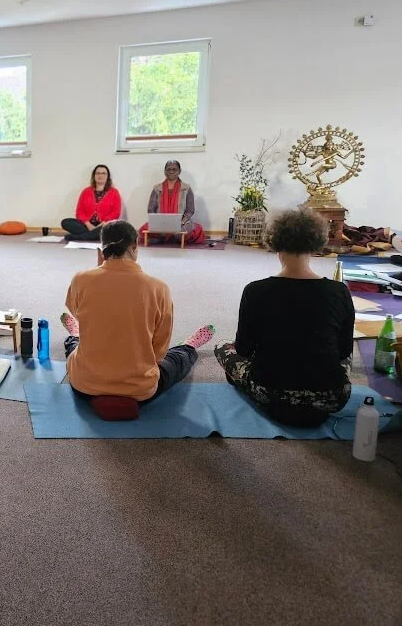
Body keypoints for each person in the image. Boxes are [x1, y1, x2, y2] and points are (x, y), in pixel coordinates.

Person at [215, 209, 354, 427]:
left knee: (222, 346)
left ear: (275, 243)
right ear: (317, 243)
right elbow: (344, 350)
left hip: (271, 392)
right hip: (332, 397)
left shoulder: (255, 291)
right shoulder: (339, 291)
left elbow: (243, 349)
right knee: (342, 356)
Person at [61, 219, 214, 404]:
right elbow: (159, 350)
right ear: (135, 245)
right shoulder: (159, 288)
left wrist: (98, 272)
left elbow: (78, 311)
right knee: (175, 360)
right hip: (138, 390)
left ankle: (75, 334)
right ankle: (189, 346)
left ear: (101, 250)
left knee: (76, 346)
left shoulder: (81, 279)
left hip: (84, 386)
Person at [138, 160, 205, 245]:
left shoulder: (186, 188)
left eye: (174, 169)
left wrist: (181, 222)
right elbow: (151, 209)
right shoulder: (157, 188)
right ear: (165, 171)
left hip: (180, 224)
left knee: (197, 230)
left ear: (179, 171)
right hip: (160, 223)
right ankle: (168, 236)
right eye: (168, 169)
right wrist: (157, 222)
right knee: (143, 229)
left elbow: (190, 210)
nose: (171, 171)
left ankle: (165, 237)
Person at [60, 164, 122, 241]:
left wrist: (102, 224)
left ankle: (81, 237)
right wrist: (88, 225)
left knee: (115, 228)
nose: (100, 175)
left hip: (104, 225)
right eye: (98, 173)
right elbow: (79, 212)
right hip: (86, 225)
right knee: (66, 222)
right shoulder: (86, 191)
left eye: (103, 173)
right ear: (94, 175)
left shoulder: (114, 192)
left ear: (108, 177)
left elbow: (116, 212)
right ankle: (95, 235)